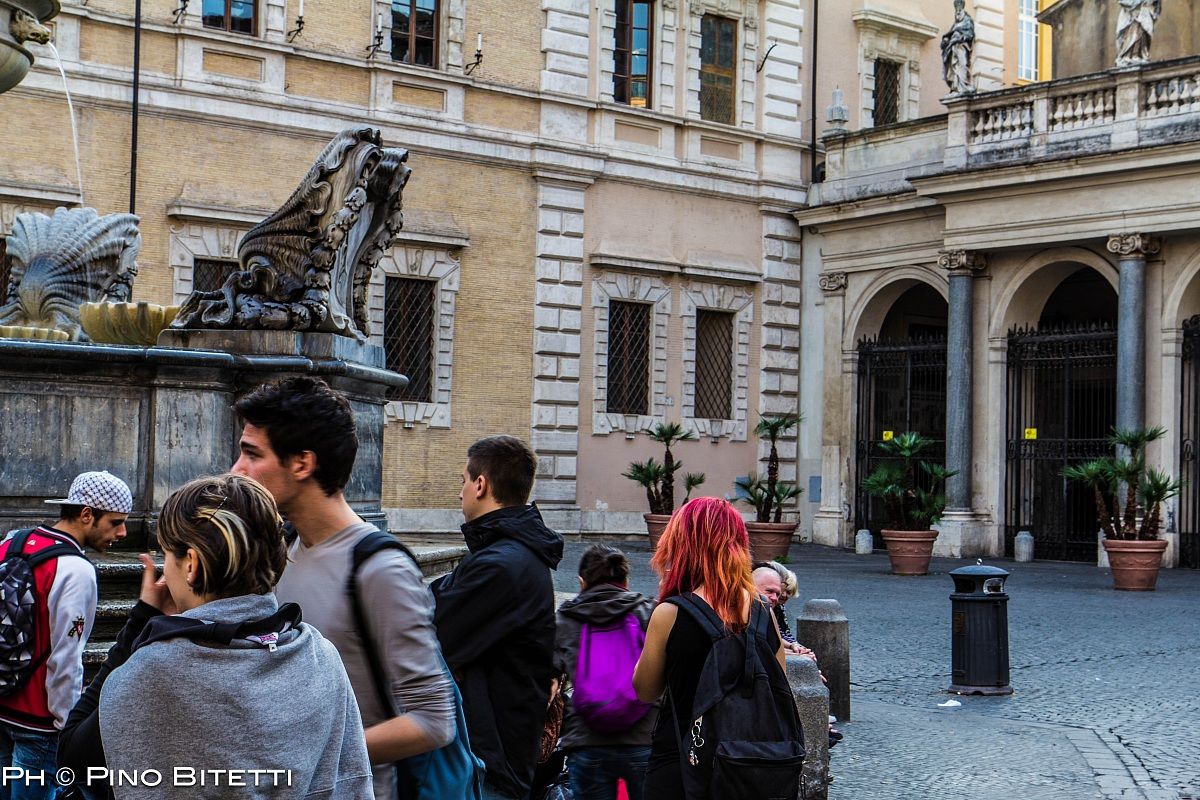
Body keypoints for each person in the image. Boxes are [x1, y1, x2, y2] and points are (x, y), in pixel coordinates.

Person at [57, 474, 372, 800]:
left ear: (190, 564)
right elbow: (353, 781)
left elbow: (72, 754)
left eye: (167, 556)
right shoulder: (321, 656)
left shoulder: (156, 672)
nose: (165, 570)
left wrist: (142, 619)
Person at [232, 376, 456, 800]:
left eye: (251, 454)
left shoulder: (380, 568)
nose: (237, 469)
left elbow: (433, 720)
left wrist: (304, 755)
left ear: (302, 463)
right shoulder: (285, 547)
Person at [432, 436, 564, 800]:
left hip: (489, 765)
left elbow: (429, 634)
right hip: (495, 757)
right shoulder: (512, 556)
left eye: (462, 481)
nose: (460, 493)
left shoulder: (502, 565)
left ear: (480, 484)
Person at [632, 497, 787, 799]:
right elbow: (777, 681)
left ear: (681, 546)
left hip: (682, 765)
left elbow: (645, 690)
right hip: (748, 765)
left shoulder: (671, 613)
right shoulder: (761, 611)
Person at [0, 470, 131, 800]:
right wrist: (65, 724)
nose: (123, 532)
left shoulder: (10, 542)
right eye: (115, 522)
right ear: (87, 515)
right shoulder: (76, 570)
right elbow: (66, 658)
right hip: (40, 723)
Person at [554, 545, 656, 800]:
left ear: (581, 582)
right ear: (625, 581)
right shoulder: (648, 611)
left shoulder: (565, 619)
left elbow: (549, 680)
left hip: (587, 741)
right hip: (643, 738)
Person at [940, 0, 975, 94]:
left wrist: (961, 37)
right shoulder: (955, 25)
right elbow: (948, 35)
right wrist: (946, 41)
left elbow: (969, 34)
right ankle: (956, 87)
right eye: (956, 10)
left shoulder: (968, 21)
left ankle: (963, 85)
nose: (958, 12)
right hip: (953, 49)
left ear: (962, 9)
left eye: (959, 10)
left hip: (962, 47)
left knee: (962, 64)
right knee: (954, 67)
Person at [1116, 0, 1161, 65]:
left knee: (1142, 32)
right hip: (1131, 15)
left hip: (1144, 12)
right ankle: (1130, 55)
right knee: (1133, 33)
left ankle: (1137, 55)